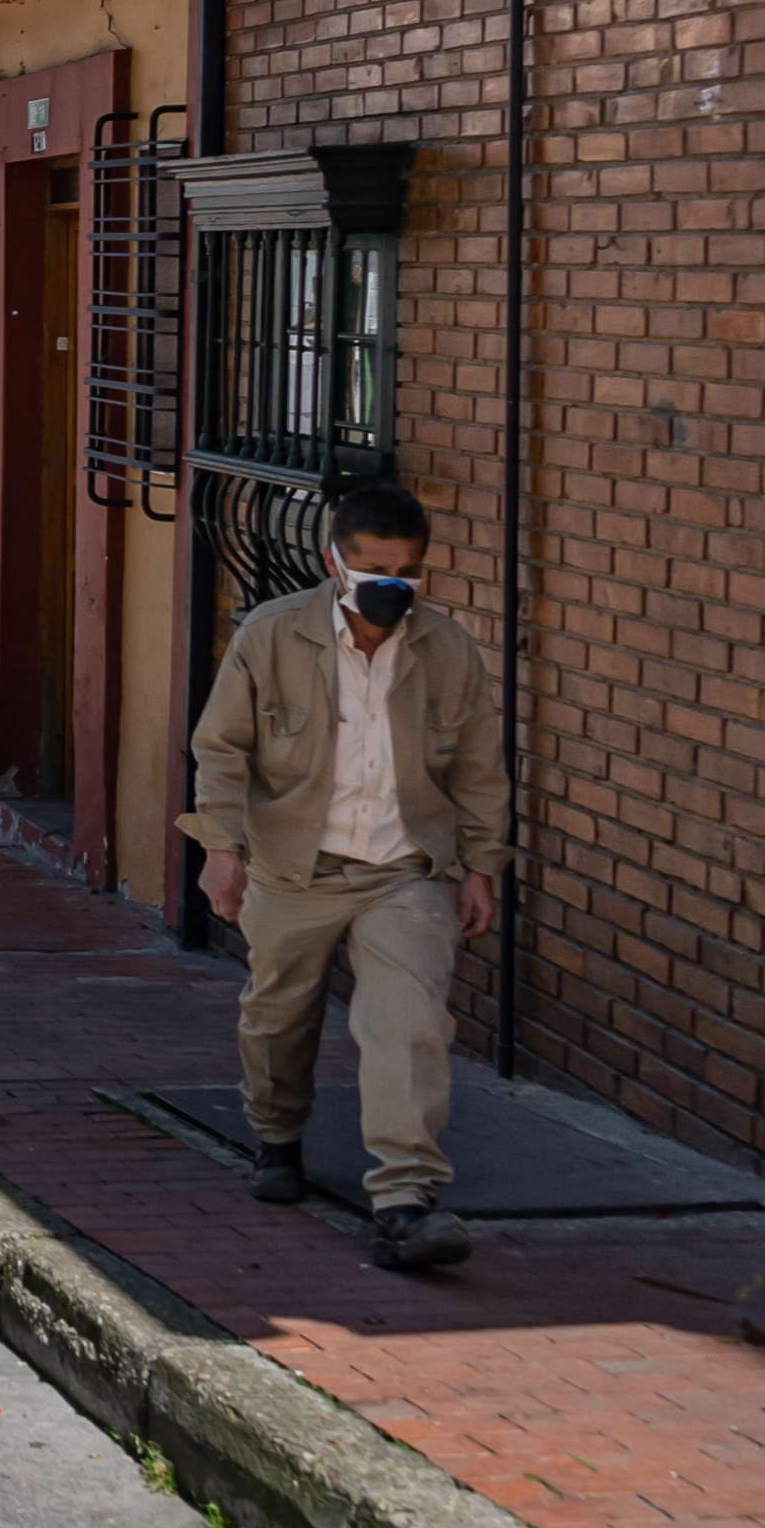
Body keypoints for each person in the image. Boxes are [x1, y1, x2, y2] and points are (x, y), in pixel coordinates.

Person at [179, 480, 508, 1273]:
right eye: (373, 573)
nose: (390, 589)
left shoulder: (446, 648)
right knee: (277, 1017)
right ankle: (276, 1135)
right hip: (294, 867)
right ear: (334, 563)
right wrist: (220, 848)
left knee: (408, 1022)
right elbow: (222, 749)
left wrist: (482, 867)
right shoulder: (271, 635)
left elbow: (479, 767)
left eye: (407, 574)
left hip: (405, 870)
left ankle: (404, 1202)